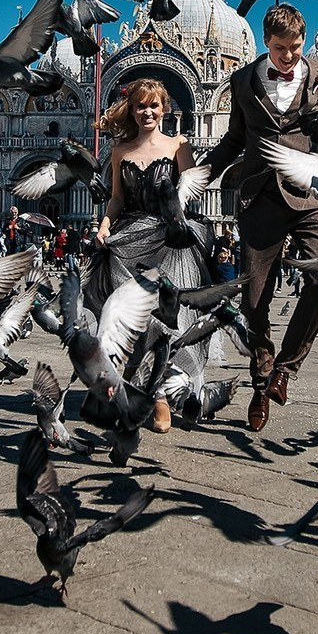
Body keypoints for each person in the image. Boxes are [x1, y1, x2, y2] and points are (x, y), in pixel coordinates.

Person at [202, 3, 318, 433]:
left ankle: (286, 367)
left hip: (310, 196)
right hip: (261, 197)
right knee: (252, 302)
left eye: (295, 47)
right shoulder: (242, 80)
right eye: (280, 48)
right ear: (265, 41)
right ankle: (262, 382)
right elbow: (234, 140)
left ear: (304, 40)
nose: (288, 56)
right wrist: (198, 176)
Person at [95, 78, 210, 434]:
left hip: (167, 240)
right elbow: (116, 198)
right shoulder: (120, 150)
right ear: (132, 110)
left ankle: (160, 394)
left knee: (165, 317)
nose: (147, 112)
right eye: (140, 106)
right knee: (132, 318)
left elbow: (189, 194)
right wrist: (104, 226)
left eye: (154, 105)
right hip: (129, 239)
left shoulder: (179, 145)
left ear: (165, 109)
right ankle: (141, 388)